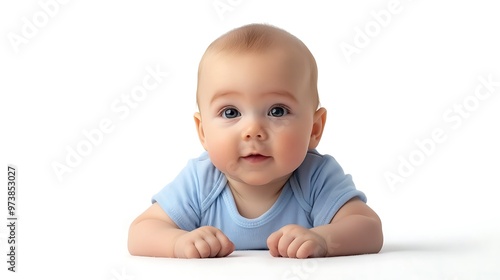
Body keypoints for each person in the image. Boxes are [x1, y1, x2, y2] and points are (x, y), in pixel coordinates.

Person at [128, 23, 383, 259]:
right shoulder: (200, 181)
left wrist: (324, 239)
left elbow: (369, 228)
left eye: (277, 111)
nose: (252, 131)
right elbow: (141, 231)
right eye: (231, 112)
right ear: (203, 131)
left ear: (314, 129)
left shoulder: (315, 177)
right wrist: (178, 243)